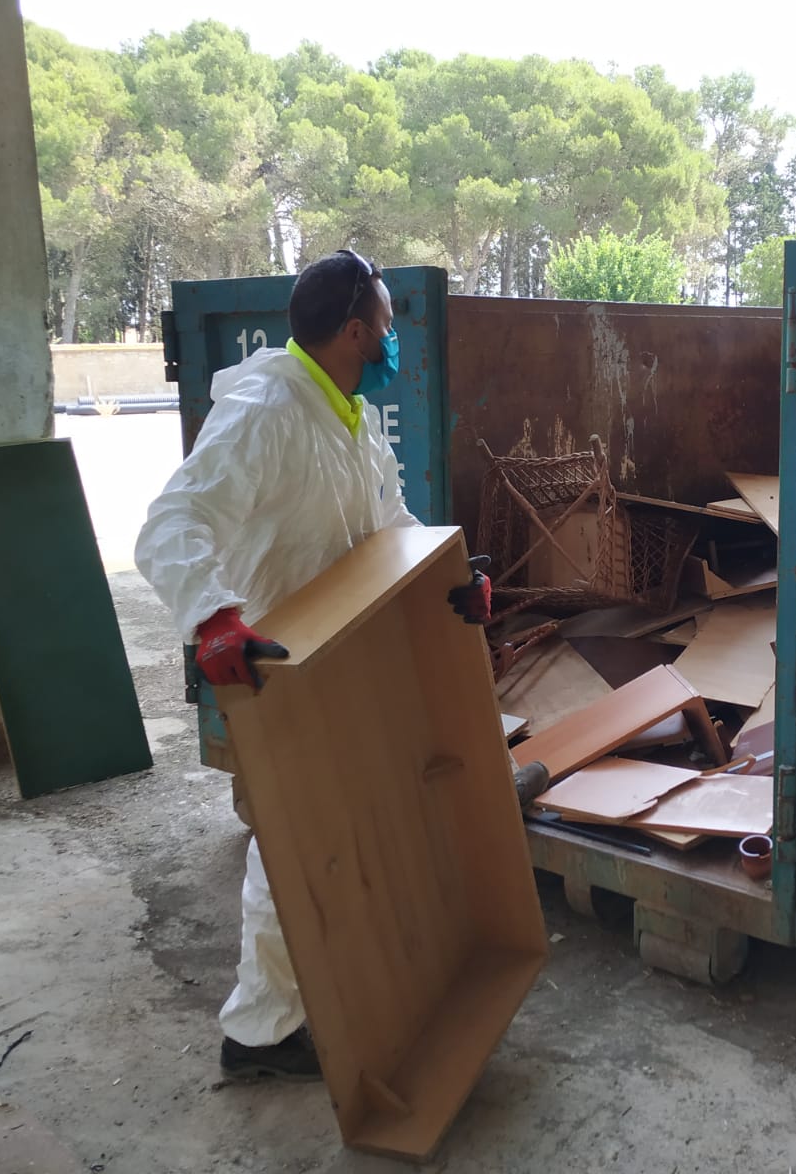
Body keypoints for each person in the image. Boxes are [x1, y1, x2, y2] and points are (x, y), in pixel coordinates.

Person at [135, 250, 492, 1080]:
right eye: (387, 328)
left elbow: (389, 526)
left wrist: (450, 580)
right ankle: (259, 1034)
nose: (393, 342)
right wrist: (214, 618)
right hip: (279, 667)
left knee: (344, 835)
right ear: (356, 332)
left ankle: (331, 992)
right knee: (293, 847)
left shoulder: (350, 418)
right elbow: (172, 523)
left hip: (345, 660)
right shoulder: (266, 410)